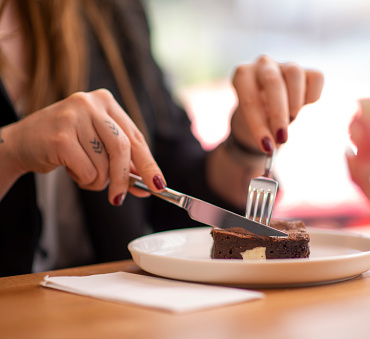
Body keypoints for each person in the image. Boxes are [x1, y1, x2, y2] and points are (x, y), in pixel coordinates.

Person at [0, 0, 323, 276]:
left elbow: (171, 192)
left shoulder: (105, 10)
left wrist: (246, 142)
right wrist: (11, 150)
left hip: (106, 312)